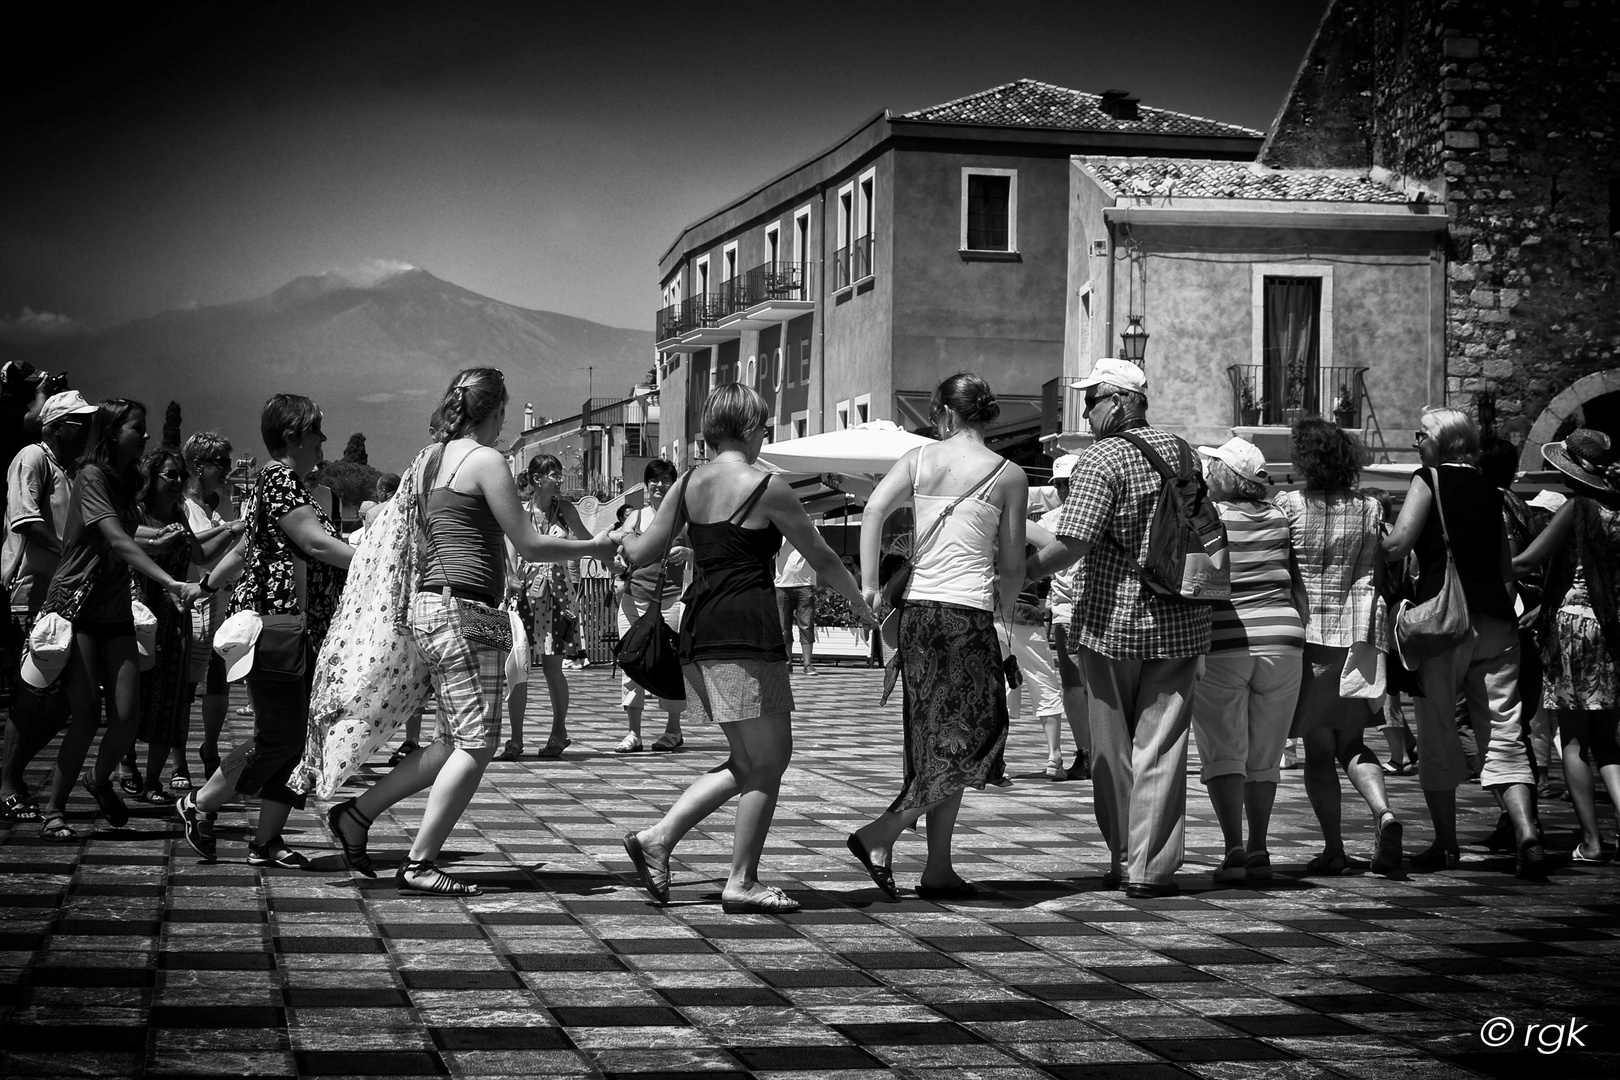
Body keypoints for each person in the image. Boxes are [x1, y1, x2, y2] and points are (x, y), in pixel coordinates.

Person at [323, 368, 619, 895]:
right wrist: (596, 546)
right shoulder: (486, 460)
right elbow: (527, 543)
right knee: (478, 744)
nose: (506, 420)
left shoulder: (429, 460)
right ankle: (417, 863)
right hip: (464, 611)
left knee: (448, 744)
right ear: (495, 410)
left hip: (435, 608)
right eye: (505, 410)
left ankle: (357, 815)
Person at [623, 384, 874, 912]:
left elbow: (642, 551)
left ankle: (659, 840)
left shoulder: (688, 482)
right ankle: (740, 879)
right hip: (747, 631)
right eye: (764, 427)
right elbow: (824, 559)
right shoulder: (769, 487)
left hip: (700, 629)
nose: (766, 435)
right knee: (770, 759)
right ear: (749, 428)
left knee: (749, 759)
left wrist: (620, 532)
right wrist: (860, 603)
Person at [1026, 359, 1211, 898]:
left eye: (1094, 398)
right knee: (1164, 745)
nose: (1086, 409)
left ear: (1124, 402)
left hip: (1115, 624)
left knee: (1111, 750)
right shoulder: (1184, 450)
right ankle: (1150, 867)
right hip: (1180, 617)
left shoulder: (1100, 457)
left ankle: (1127, 858)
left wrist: (1023, 572)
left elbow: (1075, 542)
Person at [848, 372, 1026, 900]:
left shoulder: (919, 460)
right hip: (968, 615)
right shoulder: (1009, 474)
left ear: (944, 413)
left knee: (934, 740)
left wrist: (871, 585)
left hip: (921, 616)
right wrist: (1007, 608)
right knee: (982, 732)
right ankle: (880, 834)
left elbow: (874, 510)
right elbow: (1012, 563)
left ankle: (939, 868)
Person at [177, 394, 353, 868]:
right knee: (280, 735)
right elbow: (315, 543)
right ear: (292, 437)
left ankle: (267, 841)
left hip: (297, 629)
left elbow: (243, 551)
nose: (323, 441)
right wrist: (379, 562)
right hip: (280, 628)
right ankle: (199, 805)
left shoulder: (280, 486)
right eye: (316, 432)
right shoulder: (279, 481)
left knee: (294, 738)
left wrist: (205, 585)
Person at [1382, 408, 1542, 877]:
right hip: (1496, 621)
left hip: (1443, 623)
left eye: (1422, 433)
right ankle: (1527, 833)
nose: (1416, 441)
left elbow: (1399, 543)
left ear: (1445, 441)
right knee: (1505, 731)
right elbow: (1505, 567)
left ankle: (1446, 844)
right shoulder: (1492, 491)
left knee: (1437, 731)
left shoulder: (1428, 478)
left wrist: (1373, 543)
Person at [35, 399, 205, 840]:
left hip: (114, 611)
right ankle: (54, 809)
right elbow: (113, 536)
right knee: (87, 717)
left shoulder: (126, 480)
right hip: (79, 606)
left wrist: (160, 542)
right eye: (137, 429)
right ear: (113, 433)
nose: (146, 436)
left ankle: (98, 778)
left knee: (127, 716)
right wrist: (168, 580)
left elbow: (129, 533)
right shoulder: (90, 476)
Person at [1273, 419, 1402, 877]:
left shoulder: (1287, 504)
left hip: (1309, 636)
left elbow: (1281, 570)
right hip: (1362, 633)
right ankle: (1383, 812)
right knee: (1353, 741)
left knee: (1316, 748)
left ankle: (1334, 848)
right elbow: (1382, 570)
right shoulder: (1370, 507)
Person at [1189, 437, 1304, 884]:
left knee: (1222, 750)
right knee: (1265, 754)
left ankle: (1233, 846)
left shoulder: (1210, 518)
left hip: (1226, 641)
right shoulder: (1279, 517)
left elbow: (1201, 583)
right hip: (1283, 639)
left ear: (1221, 475)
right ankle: (1260, 844)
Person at [1513, 429, 1620, 864]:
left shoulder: (1577, 507)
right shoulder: (1617, 512)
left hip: (1574, 627)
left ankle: (1593, 842)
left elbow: (1527, 561)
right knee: (1609, 741)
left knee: (1574, 740)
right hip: (1611, 627)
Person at [1, 389, 96, 823]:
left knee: (58, 702)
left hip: (59, 597)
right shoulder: (32, 458)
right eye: (80, 424)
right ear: (56, 427)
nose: (87, 431)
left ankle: (13, 775)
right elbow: (25, 520)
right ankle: (8, 782)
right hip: (30, 592)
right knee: (31, 694)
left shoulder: (70, 471)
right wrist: (69, 554)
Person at [126, 448, 211, 804]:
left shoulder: (180, 514)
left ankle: (152, 781)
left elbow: (200, 555)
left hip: (174, 617)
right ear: (152, 477)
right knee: (132, 697)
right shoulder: (134, 515)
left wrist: (234, 530)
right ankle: (126, 765)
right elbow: (139, 547)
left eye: (181, 475)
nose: (178, 482)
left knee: (171, 701)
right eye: (170, 475)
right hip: (140, 613)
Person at [500, 454, 589, 760]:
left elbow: (587, 540)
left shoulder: (564, 510)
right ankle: (515, 739)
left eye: (559, 472)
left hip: (558, 597)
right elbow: (509, 552)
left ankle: (559, 731)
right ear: (538, 479)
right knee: (518, 667)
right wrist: (510, 578)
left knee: (553, 668)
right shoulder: (520, 513)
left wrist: (612, 551)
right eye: (553, 473)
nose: (560, 477)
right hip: (523, 596)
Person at [178, 431, 248, 792]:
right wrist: (230, 530)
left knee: (220, 678)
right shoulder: (182, 504)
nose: (226, 469)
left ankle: (210, 747)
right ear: (197, 465)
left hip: (224, 599)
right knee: (186, 684)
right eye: (219, 462)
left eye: (227, 462)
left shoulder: (226, 504)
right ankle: (178, 758)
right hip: (190, 600)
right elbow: (196, 550)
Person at [612, 459, 688, 752]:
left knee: (667, 665)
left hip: (669, 600)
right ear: (646, 486)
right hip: (633, 601)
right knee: (631, 663)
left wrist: (688, 552)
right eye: (653, 480)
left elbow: (702, 552)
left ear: (674, 484)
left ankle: (673, 730)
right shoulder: (637, 517)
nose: (659, 485)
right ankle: (634, 733)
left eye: (665, 480)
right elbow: (620, 539)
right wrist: (619, 555)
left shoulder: (682, 517)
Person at [1002, 515, 1068, 780]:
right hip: (1022, 610)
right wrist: (1029, 572)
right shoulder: (1016, 522)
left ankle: (995, 758)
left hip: (987, 608)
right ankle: (1054, 755)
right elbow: (1053, 546)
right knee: (1043, 680)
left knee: (1000, 687)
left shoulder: (980, 517)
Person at [1038, 454, 1091, 781]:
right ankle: (1085, 752)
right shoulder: (1047, 522)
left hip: (1099, 608)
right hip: (1066, 611)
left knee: (1100, 687)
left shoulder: (1099, 516)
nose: (1064, 489)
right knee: (1072, 687)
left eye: (1069, 482)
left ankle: (1105, 751)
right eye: (1059, 483)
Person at [775, 538, 817, 675]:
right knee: (783, 628)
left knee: (807, 625)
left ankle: (808, 664)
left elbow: (817, 546)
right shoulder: (776, 529)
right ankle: (787, 662)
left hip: (804, 583)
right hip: (781, 584)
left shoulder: (809, 527)